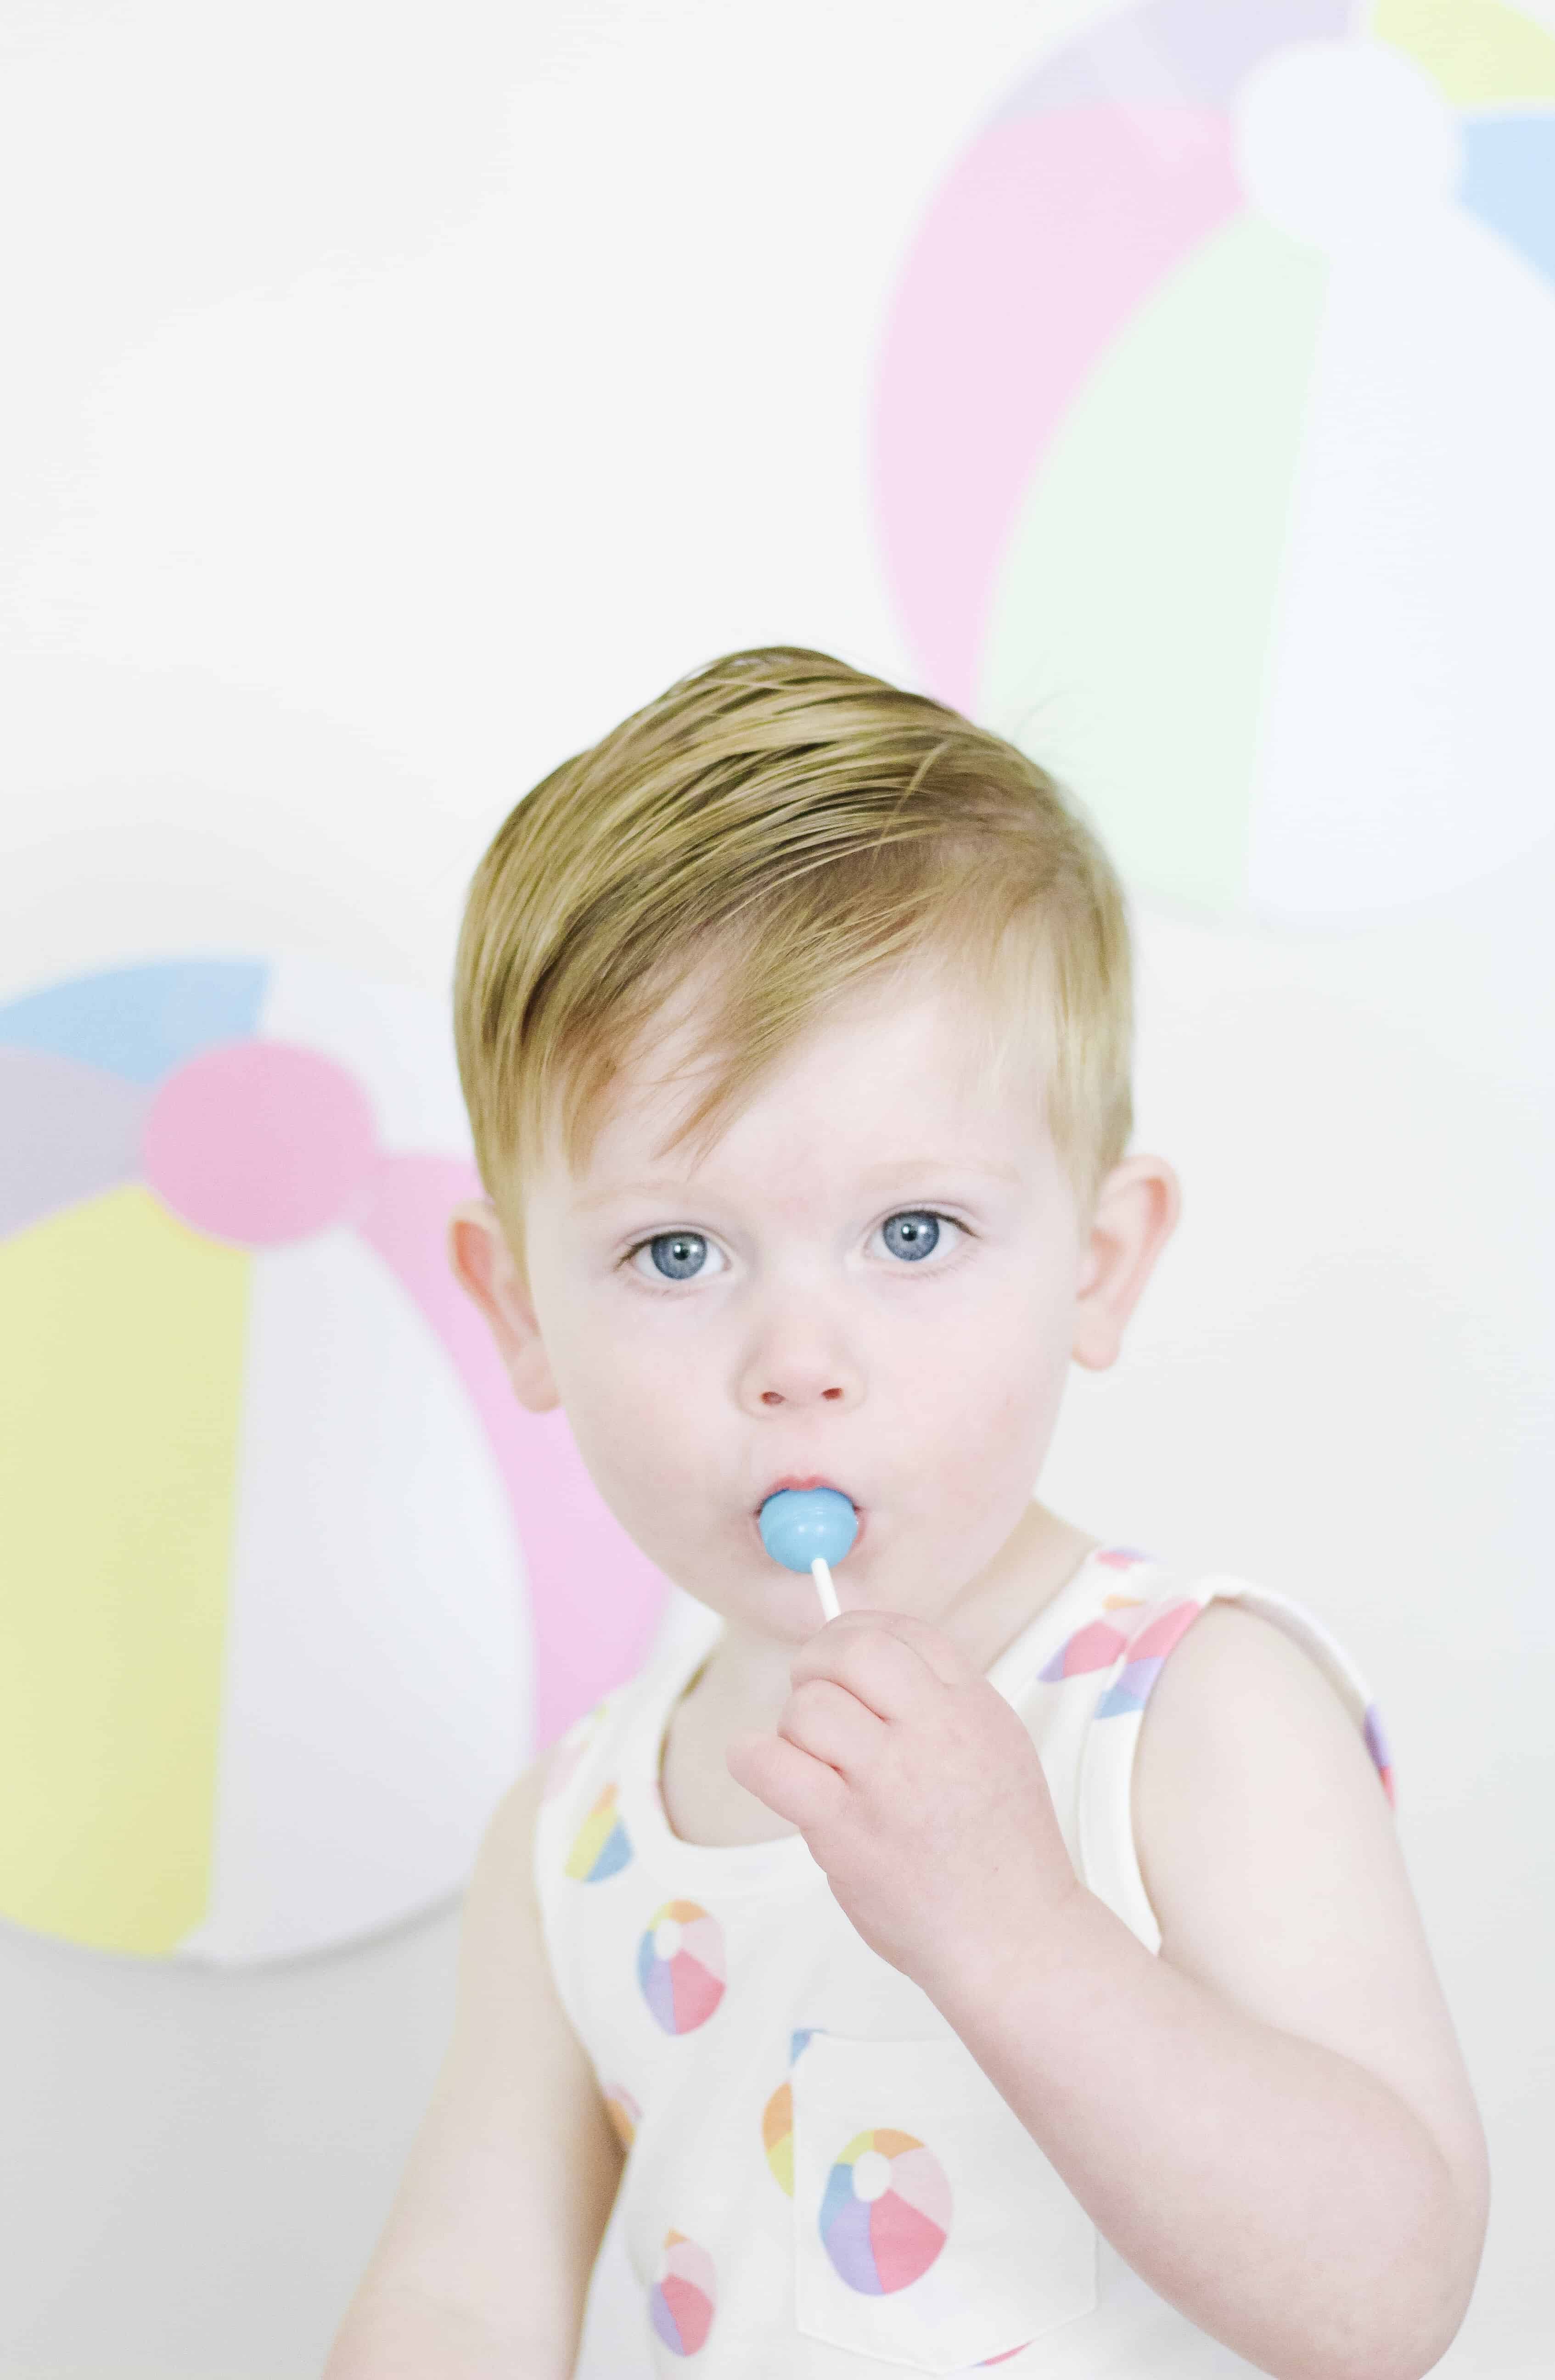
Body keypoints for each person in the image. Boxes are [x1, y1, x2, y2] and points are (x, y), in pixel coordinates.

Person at [322, 648, 1488, 2379]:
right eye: (677, 1252)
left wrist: (1015, 1930)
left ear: (1096, 1267)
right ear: (516, 1313)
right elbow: (462, 2299)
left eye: (916, 1235)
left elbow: (1387, 2298)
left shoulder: (1191, 1707)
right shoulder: (573, 1835)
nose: (799, 1361)